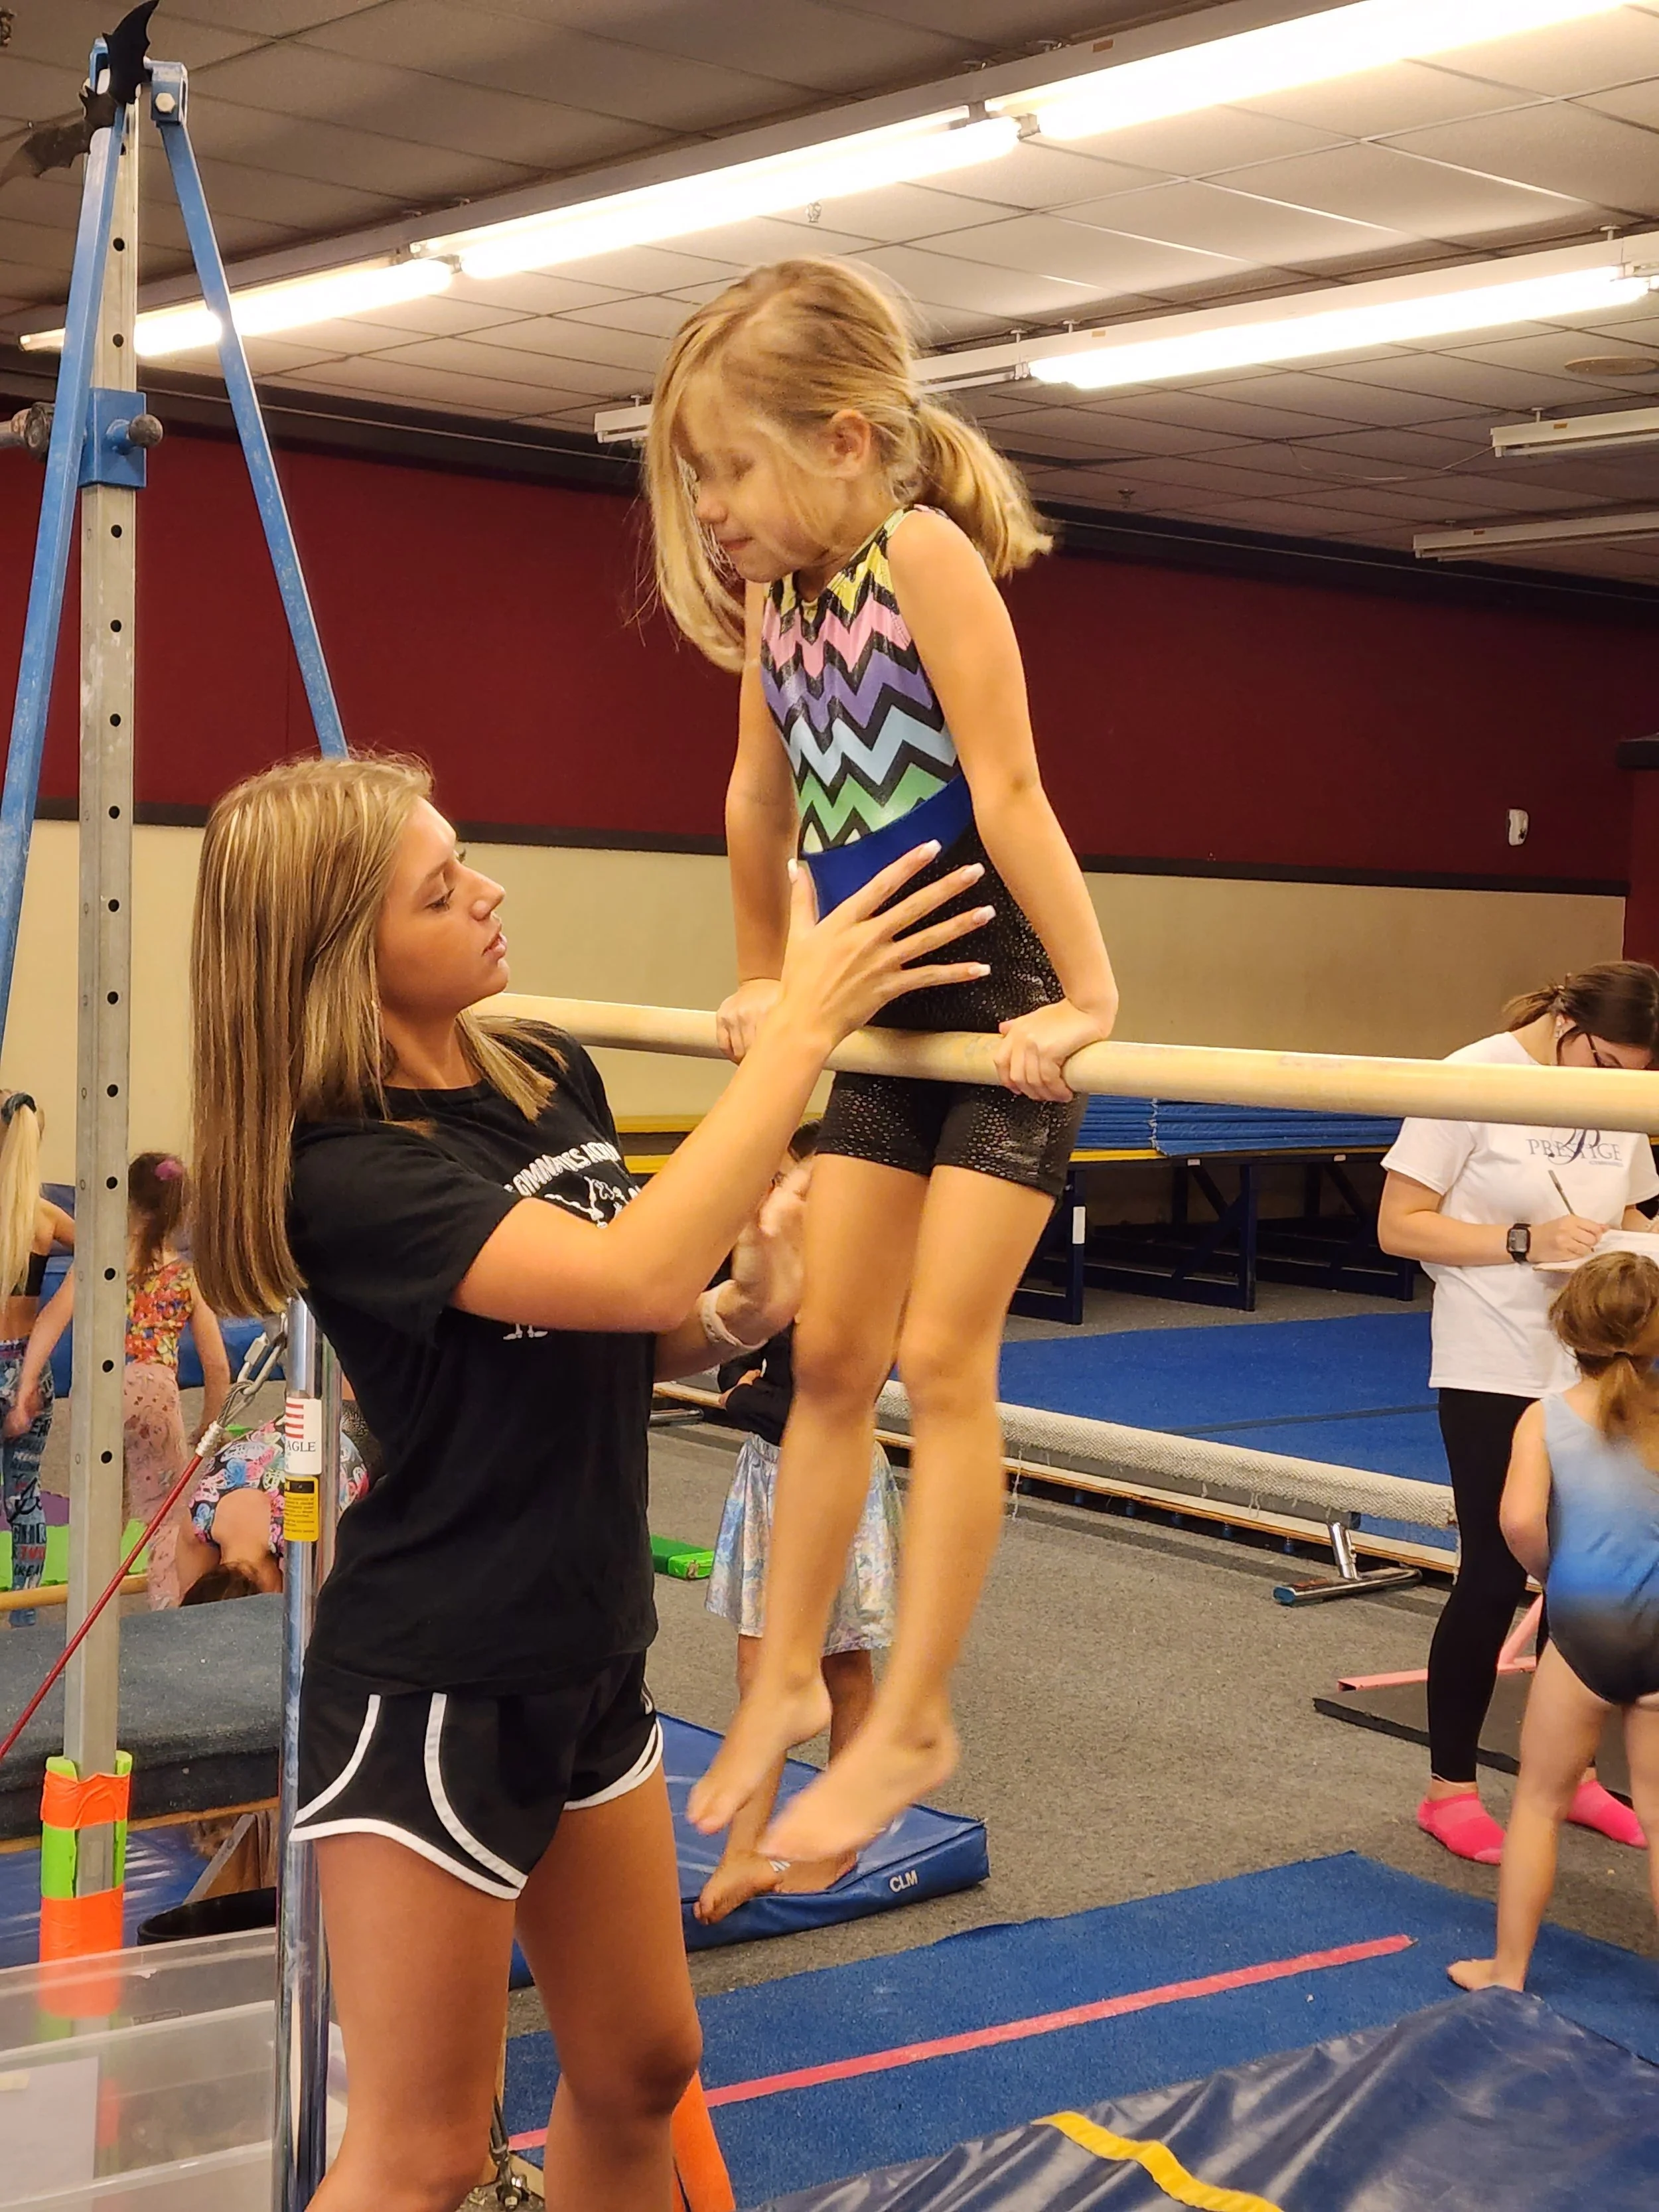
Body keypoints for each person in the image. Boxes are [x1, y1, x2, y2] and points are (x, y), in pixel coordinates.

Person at [186, 751, 986, 2212]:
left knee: (637, 2068)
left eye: (466, 854)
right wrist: (801, 1026)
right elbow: (622, 1261)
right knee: (423, 2152)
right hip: (435, 1680)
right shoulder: (346, 1167)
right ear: (338, 962)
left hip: (586, 1649)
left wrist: (739, 1306)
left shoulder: (543, 1068)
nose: (489, 892)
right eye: (440, 890)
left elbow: (628, 1317)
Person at [644, 257, 1119, 1864]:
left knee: (941, 1363)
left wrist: (1092, 994)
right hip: (874, 1012)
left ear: (848, 439)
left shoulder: (922, 554)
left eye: (730, 468)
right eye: (697, 479)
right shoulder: (780, 609)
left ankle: (912, 1711)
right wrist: (762, 982)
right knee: (830, 1360)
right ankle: (785, 1675)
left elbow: (1009, 786)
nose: (710, 508)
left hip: (993, 1000)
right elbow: (754, 811)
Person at [1378, 963, 1659, 1864]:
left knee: (1584, 1576)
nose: (1614, 1087)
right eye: (1607, 1064)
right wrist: (1522, 1241)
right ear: (1567, 1019)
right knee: (1498, 1572)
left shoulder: (1623, 1090)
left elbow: (1627, 1213)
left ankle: (1565, 1774)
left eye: (1632, 1076)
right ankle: (1448, 1788)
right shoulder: (1472, 1075)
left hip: (1593, 1360)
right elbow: (1400, 1225)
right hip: (1491, 1354)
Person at [697, 1122, 901, 1924]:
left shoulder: (865, 1277)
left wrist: (747, 1395)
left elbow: (799, 1404)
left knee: (818, 1670)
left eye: (806, 1185)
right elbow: (727, 1358)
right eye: (783, 1178)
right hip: (772, 1479)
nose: (787, 1195)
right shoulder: (780, 1263)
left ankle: (821, 1831)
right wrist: (746, 1390)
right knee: (785, 1670)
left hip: (831, 1480)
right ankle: (760, 1842)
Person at [1449, 1251, 1659, 1992]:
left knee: (1538, 1805)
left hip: (1584, 1632)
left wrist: (1553, 1571)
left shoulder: (1543, 1421)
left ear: (1569, 1328)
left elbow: (1515, 1520)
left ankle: (1507, 1971)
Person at [9, 1153, 232, 1609]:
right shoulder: (184, 1276)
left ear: (124, 1202)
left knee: (101, 1505)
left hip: (101, 1395)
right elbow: (217, 1365)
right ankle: (168, 1608)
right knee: (165, 1515)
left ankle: (92, 1608)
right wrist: (210, 1430)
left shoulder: (100, 1264)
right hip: (155, 1397)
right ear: (180, 1214)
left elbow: (51, 1321)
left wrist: (25, 1385)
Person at [164, 1406, 374, 1607]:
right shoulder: (199, 1521)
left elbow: (328, 1616)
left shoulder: (302, 1535)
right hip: (301, 1427)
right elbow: (189, 1618)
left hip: (362, 1439)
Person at [0, 1090, 73, 1627]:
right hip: (28, 1366)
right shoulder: (42, 1216)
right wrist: (56, 1313)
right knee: (24, 1497)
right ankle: (23, 1621)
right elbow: (109, 1250)